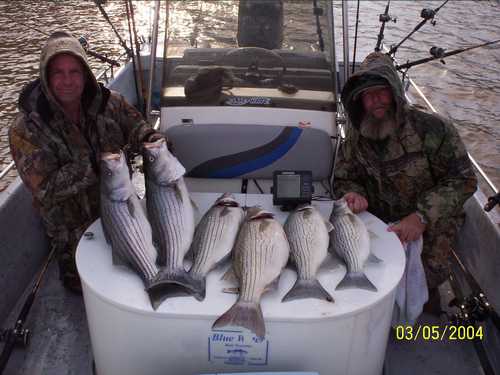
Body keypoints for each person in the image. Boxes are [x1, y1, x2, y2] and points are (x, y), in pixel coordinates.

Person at [9, 31, 164, 293]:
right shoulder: (26, 129)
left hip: (125, 213)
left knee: (149, 267)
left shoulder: (109, 102)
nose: (67, 81)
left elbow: (136, 126)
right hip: (76, 240)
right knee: (96, 290)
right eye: (58, 72)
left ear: (86, 74)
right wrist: (95, 165)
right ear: (46, 77)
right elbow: (46, 189)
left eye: (75, 72)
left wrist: (152, 139)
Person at [334, 52, 477, 311]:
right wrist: (353, 194)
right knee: (357, 265)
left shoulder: (434, 129)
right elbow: (345, 177)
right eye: (368, 94)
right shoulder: (357, 133)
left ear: (396, 92)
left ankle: (427, 294)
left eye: (382, 91)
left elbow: (464, 180)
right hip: (379, 220)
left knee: (426, 278)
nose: (376, 100)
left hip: (429, 224)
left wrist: (421, 216)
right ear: (359, 100)